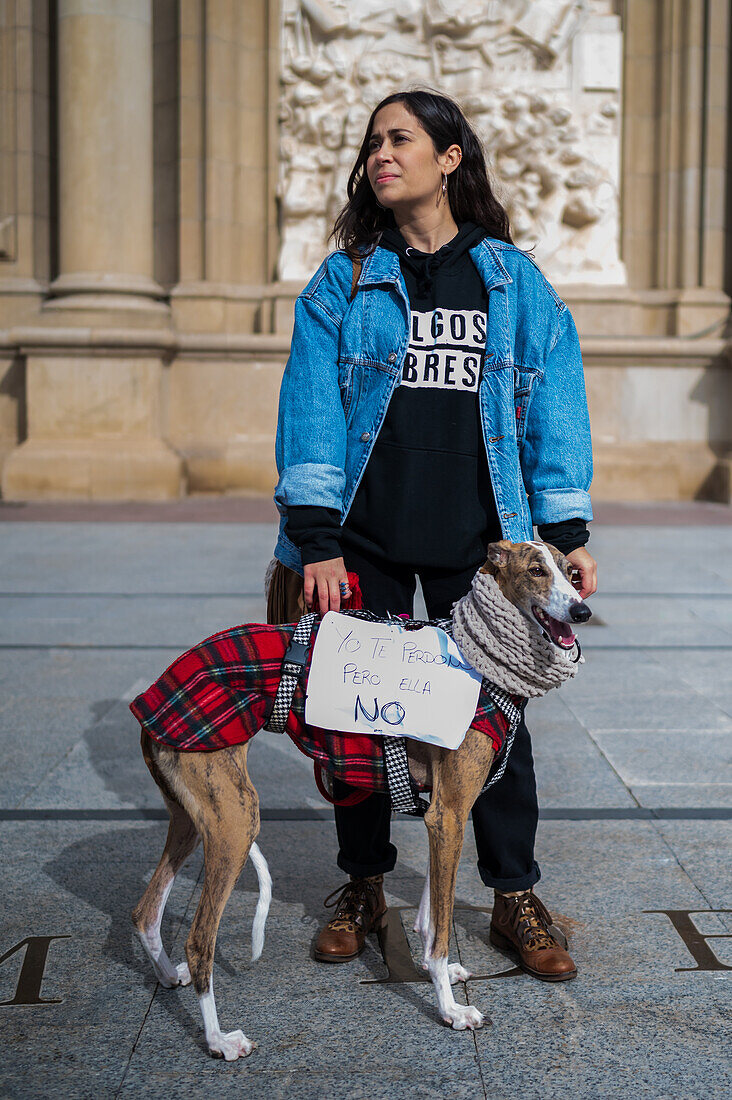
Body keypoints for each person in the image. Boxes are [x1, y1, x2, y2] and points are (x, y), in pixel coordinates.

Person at [268, 90, 597, 981]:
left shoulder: (510, 279)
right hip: (362, 540)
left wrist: (564, 529)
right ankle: (364, 884)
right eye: (373, 141)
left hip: (483, 546)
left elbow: (554, 401)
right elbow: (312, 413)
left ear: (450, 158)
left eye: (401, 138)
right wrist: (315, 539)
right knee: (355, 715)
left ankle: (513, 893)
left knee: (496, 726)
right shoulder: (345, 278)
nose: (382, 153)